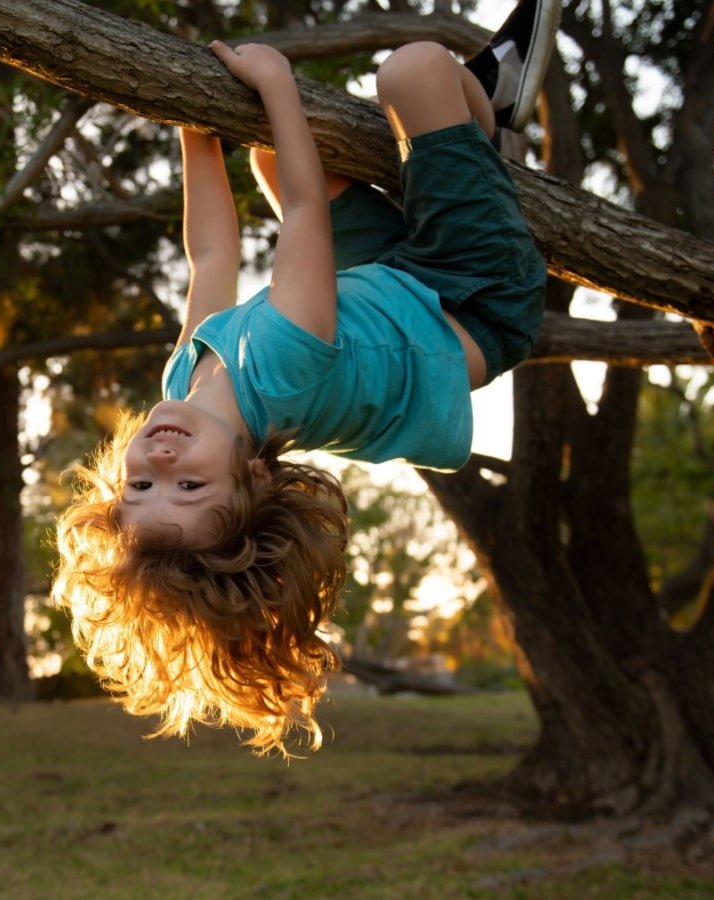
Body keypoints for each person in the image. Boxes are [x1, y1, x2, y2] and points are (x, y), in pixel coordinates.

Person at [53, 0, 559, 756]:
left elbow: (213, 258)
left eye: (138, 489)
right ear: (253, 479)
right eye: (189, 487)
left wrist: (197, 132)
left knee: (264, 154)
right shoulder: (283, 379)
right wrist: (276, 83)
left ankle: (459, 147)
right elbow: (299, 216)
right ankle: (491, 108)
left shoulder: (185, 383)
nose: (157, 465)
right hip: (476, 296)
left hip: (387, 282)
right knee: (413, 71)